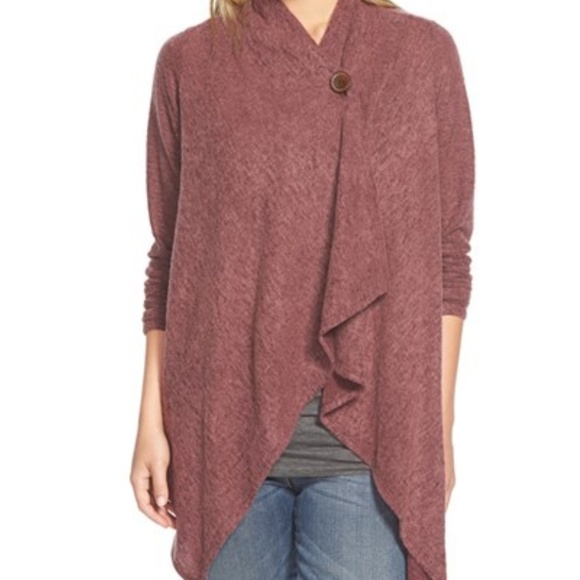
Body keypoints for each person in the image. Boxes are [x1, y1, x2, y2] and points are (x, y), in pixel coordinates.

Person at [130, 0, 475, 578]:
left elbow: (447, 259)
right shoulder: (191, 62)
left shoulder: (420, 54)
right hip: (223, 434)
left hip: (370, 444)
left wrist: (435, 430)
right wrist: (150, 421)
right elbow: (170, 261)